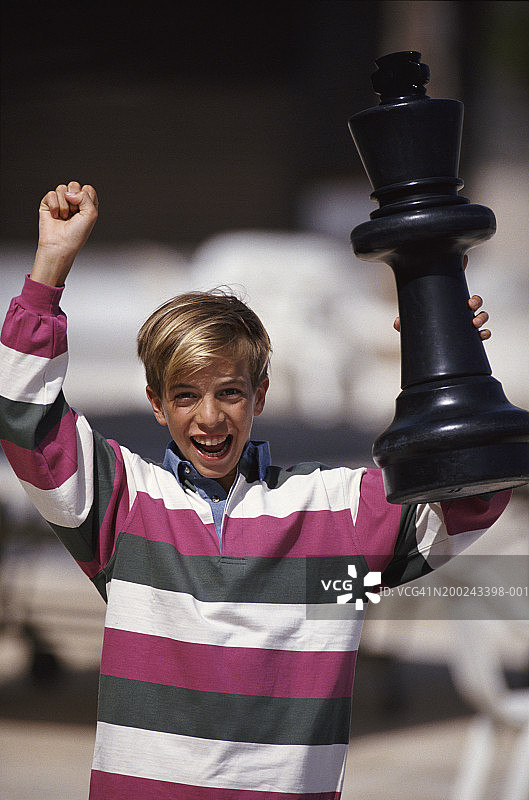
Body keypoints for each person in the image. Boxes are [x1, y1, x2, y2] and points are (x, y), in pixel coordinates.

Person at [0, 182, 508, 800]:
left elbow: (469, 498)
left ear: (260, 395)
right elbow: (27, 421)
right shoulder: (123, 508)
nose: (209, 417)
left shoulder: (335, 517)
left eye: (230, 392)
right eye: (185, 395)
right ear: (155, 404)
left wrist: (450, 357)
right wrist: (48, 268)